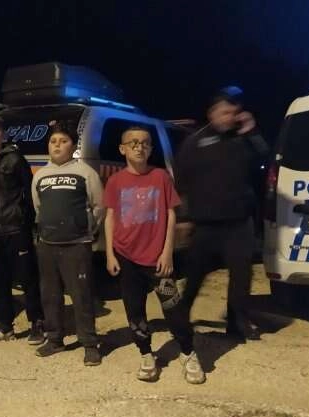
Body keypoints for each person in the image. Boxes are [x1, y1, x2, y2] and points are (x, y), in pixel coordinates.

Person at [103, 126, 204, 383]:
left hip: (157, 258)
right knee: (134, 309)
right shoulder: (115, 181)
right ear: (122, 149)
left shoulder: (160, 177)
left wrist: (167, 252)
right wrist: (110, 254)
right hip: (126, 257)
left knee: (173, 307)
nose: (139, 147)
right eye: (133, 143)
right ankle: (146, 354)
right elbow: (110, 217)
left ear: (150, 149)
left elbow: (171, 214)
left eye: (145, 143)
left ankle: (188, 352)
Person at [170, 87, 269, 349]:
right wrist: (184, 218)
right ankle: (181, 314)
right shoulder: (195, 142)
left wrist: (251, 131)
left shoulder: (243, 138)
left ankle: (237, 322)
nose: (229, 117)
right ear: (212, 113)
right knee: (196, 273)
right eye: (224, 112)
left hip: (239, 222)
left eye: (233, 113)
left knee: (241, 275)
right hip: (205, 222)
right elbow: (181, 181)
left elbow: (264, 158)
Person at [32, 121, 104, 366]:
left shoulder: (85, 172)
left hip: (77, 245)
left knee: (81, 295)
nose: (57, 145)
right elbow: (38, 207)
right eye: (53, 141)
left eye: (63, 141)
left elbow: (99, 206)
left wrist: (86, 229)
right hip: (47, 244)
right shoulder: (40, 176)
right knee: (50, 295)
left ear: (73, 146)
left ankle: (90, 344)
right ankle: (54, 339)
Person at [0, 115, 46, 343]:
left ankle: (37, 323)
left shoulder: (15, 159)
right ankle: (5, 325)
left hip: (17, 228)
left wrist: (26, 222)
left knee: (28, 277)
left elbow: (29, 193)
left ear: (4, 134)